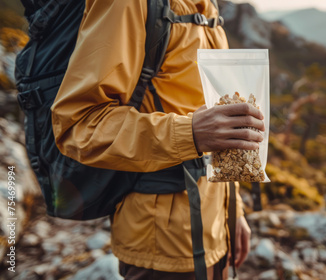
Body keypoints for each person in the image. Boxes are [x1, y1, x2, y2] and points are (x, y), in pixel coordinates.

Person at [50, 0, 265, 278]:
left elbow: (218, 124)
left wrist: (232, 212)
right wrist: (189, 133)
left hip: (215, 228)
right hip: (160, 247)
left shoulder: (207, 6)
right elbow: (78, 124)